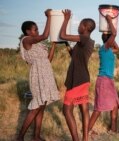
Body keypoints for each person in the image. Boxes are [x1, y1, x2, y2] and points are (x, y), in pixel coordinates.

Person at [17, 9, 60, 141]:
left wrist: (53, 46)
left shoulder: (38, 44)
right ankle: (20, 138)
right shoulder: (27, 40)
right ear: (28, 31)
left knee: (42, 106)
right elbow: (45, 35)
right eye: (35, 29)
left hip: (46, 73)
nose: (37, 31)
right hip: (38, 75)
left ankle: (36, 136)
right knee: (36, 107)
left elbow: (48, 60)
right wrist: (49, 17)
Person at [60, 9, 96, 141]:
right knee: (84, 109)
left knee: (66, 110)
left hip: (77, 80)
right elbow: (74, 56)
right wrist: (67, 45)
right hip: (83, 79)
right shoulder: (87, 41)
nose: (78, 26)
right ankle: (85, 138)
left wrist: (66, 19)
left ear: (85, 27)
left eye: (80, 24)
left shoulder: (84, 38)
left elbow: (63, 35)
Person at [88, 15, 119, 136]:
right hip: (104, 81)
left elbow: (118, 48)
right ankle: (88, 130)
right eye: (111, 39)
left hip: (108, 81)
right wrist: (110, 22)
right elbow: (115, 33)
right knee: (98, 109)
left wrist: (111, 37)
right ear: (108, 41)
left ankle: (113, 130)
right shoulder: (104, 48)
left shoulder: (110, 49)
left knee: (115, 105)